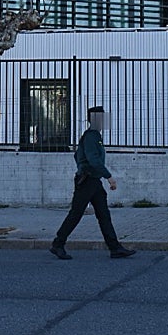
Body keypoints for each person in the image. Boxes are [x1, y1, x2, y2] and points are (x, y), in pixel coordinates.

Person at [49, 106, 136, 260]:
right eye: (102, 118)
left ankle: (115, 248)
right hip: (87, 181)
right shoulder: (91, 136)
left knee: (104, 215)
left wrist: (86, 168)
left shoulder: (95, 136)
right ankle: (58, 243)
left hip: (93, 181)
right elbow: (93, 159)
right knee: (76, 214)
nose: (104, 121)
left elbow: (78, 156)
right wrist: (108, 177)